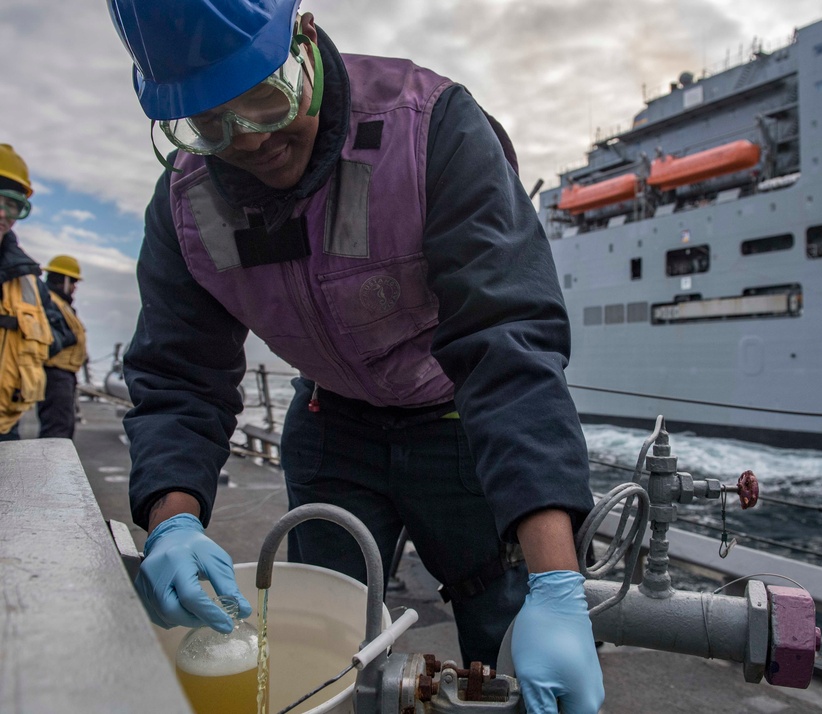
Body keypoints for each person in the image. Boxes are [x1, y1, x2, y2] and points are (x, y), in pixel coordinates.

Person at [106, 2, 604, 711]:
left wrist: (558, 585)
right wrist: (172, 523)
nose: (248, 139)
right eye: (208, 123)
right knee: (325, 645)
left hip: (458, 422)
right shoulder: (188, 208)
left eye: (263, 97)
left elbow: (504, 339)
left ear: (303, 41)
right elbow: (180, 376)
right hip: (331, 423)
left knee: (502, 626)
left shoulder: (430, 129)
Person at [0, 144, 77, 442]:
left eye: (14, 205)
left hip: (6, 427)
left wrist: (27, 345)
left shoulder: (27, 280)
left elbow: (59, 331)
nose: (4, 214)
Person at [37, 255, 88, 438]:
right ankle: (50, 466)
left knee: (63, 425)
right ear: (63, 280)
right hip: (55, 374)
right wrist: (70, 337)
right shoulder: (50, 302)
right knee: (57, 428)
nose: (74, 287)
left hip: (63, 375)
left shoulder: (61, 304)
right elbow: (48, 336)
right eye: (73, 281)